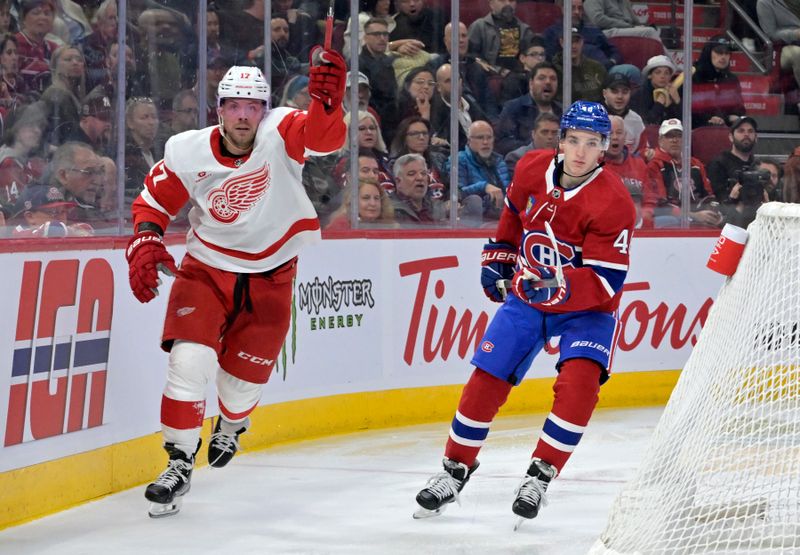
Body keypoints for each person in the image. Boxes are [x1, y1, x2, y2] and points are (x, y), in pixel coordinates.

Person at [124, 48, 347, 517]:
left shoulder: (282, 131)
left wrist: (329, 102)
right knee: (189, 360)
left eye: (252, 107)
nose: (244, 116)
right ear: (219, 109)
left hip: (271, 273)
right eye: (234, 106)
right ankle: (179, 461)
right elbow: (154, 201)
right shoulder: (188, 149)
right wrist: (145, 240)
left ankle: (232, 423)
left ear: (263, 111)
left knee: (240, 386)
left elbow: (324, 141)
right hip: (207, 268)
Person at [414, 101, 635, 525]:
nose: (580, 152)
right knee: (486, 377)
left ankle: (541, 473)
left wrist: (556, 285)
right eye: (573, 141)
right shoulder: (532, 168)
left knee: (580, 384)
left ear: (604, 148)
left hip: (587, 310)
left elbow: (607, 278)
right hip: (528, 299)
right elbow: (513, 219)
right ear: (561, 141)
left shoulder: (615, 202)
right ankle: (455, 469)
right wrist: (497, 259)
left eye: (592, 144)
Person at [644, 118, 722, 228]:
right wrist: (693, 216)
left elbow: (708, 195)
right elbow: (661, 204)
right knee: (672, 220)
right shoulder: (655, 165)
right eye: (669, 136)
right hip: (672, 219)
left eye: (678, 135)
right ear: (660, 140)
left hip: (698, 216)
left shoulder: (695, 164)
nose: (674, 140)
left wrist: (713, 211)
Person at [707, 115, 764, 228]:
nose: (746, 134)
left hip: (757, 220)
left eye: (750, 131)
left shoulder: (759, 166)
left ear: (756, 137)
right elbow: (719, 199)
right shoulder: (719, 163)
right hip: (729, 222)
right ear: (731, 137)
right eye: (741, 131)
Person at [449, 119, 510, 225]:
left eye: (489, 138)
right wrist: (484, 186)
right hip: (472, 223)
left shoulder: (499, 161)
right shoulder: (458, 159)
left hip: (499, 219)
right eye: (480, 138)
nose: (485, 142)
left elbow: (508, 193)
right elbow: (457, 194)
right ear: (469, 140)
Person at [496, 62, 561, 155]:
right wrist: (534, 148)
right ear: (531, 83)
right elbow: (503, 142)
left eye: (553, 79)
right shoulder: (514, 108)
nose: (548, 82)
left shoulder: (564, 110)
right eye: (542, 78)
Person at [603, 115, 648, 227]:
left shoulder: (639, 164)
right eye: (610, 133)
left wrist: (646, 215)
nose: (615, 137)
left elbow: (650, 199)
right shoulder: (593, 166)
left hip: (640, 228)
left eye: (619, 133)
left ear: (625, 137)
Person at [692, 35, 745, 128]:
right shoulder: (693, 75)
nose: (723, 57)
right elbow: (686, 108)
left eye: (727, 53)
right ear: (708, 53)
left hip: (725, 131)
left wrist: (731, 117)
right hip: (696, 130)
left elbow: (739, 108)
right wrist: (708, 118)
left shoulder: (732, 79)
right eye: (719, 52)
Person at [467, 0, 535, 73]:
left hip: (519, 75)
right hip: (488, 74)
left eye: (511, 0)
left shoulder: (525, 30)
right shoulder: (479, 27)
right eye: (502, 0)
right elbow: (471, 56)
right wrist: (498, 70)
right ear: (491, 3)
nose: (508, 4)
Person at [630, 54, 682, 126]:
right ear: (650, 75)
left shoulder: (675, 92)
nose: (662, 76)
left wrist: (677, 101)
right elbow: (645, 123)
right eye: (658, 72)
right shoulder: (639, 95)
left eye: (666, 73)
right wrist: (659, 104)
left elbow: (685, 123)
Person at [325, 179, 396, 229]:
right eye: (366, 198)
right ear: (352, 201)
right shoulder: (339, 226)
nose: (373, 203)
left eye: (377, 198)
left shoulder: (390, 226)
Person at [601, 72, 644, 152]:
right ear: (604, 93)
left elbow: (642, 150)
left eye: (625, 92)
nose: (620, 97)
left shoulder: (636, 119)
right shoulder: (593, 117)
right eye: (614, 92)